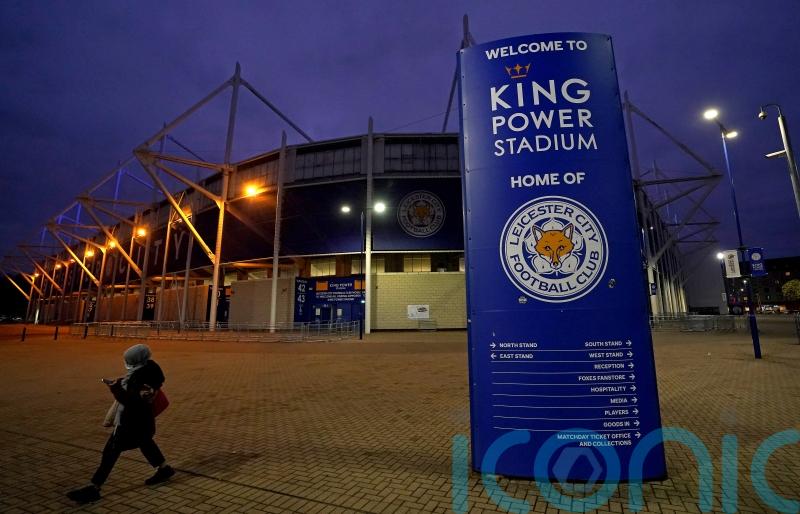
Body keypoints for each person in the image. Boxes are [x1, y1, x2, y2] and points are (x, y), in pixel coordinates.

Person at [67, 344, 174, 504]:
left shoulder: (142, 378)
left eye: (129, 360)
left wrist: (116, 388)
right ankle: (164, 468)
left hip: (131, 422)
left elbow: (132, 401)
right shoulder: (148, 370)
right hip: (143, 422)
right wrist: (123, 383)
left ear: (136, 361)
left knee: (110, 452)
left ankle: (94, 487)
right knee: (145, 443)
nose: (127, 363)